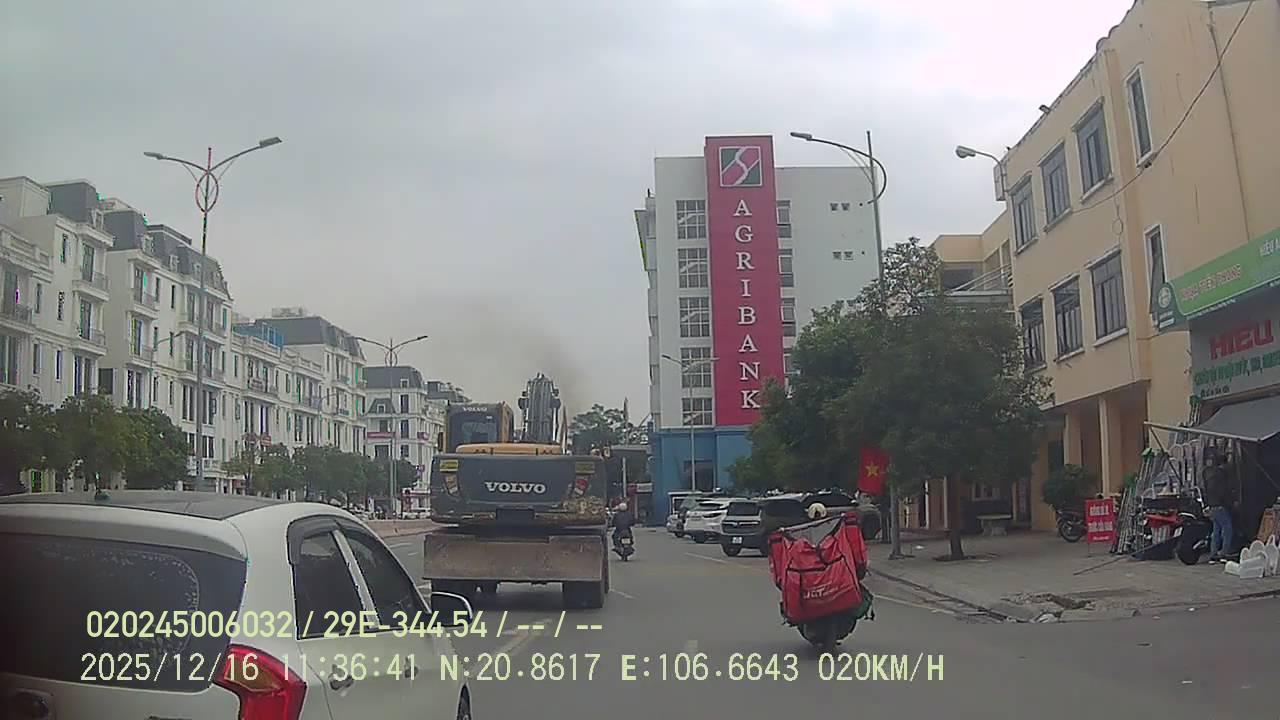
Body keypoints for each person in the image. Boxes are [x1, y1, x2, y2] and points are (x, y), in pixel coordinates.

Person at [1203, 451, 1233, 563]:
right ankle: (1224, 554)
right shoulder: (1222, 474)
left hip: (1212, 506)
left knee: (1216, 530)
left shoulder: (1209, 474)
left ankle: (1213, 555)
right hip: (1220, 506)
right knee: (1227, 529)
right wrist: (1229, 503)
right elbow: (1223, 492)